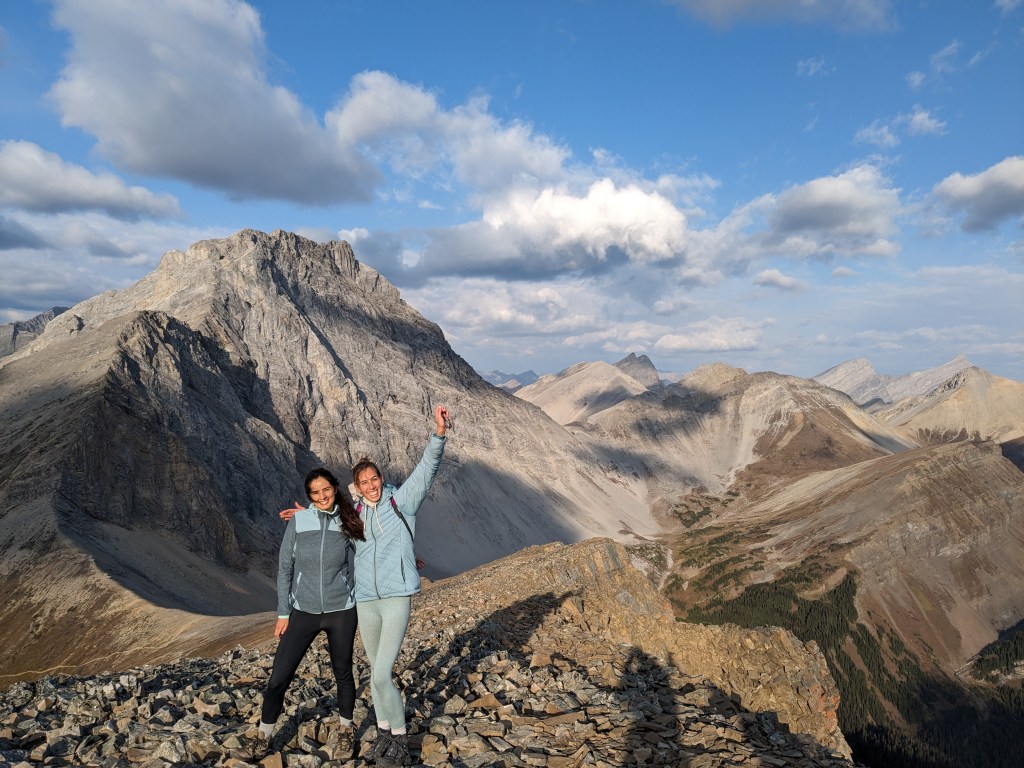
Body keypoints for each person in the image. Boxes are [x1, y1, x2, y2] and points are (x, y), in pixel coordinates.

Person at [282, 404, 450, 766]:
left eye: (375, 479)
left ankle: (400, 742)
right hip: (366, 601)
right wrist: (305, 514)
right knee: (374, 675)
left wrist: (438, 434)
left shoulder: (401, 501)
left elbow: (427, 470)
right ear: (356, 488)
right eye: (364, 483)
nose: (371, 486)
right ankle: (384, 734)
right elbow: (329, 515)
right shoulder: (354, 514)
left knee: (381, 673)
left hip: (396, 598)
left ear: (381, 478)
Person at [254, 467, 364, 761]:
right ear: (309, 496)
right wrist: (283, 612)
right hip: (303, 610)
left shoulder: (348, 520)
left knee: (343, 673)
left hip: (342, 610)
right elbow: (285, 568)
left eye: (326, 489)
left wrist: (406, 558)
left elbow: (368, 553)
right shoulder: (299, 520)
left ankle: (345, 730)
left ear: (335, 488)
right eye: (315, 493)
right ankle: (263, 736)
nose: (322, 496)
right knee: (278, 677)